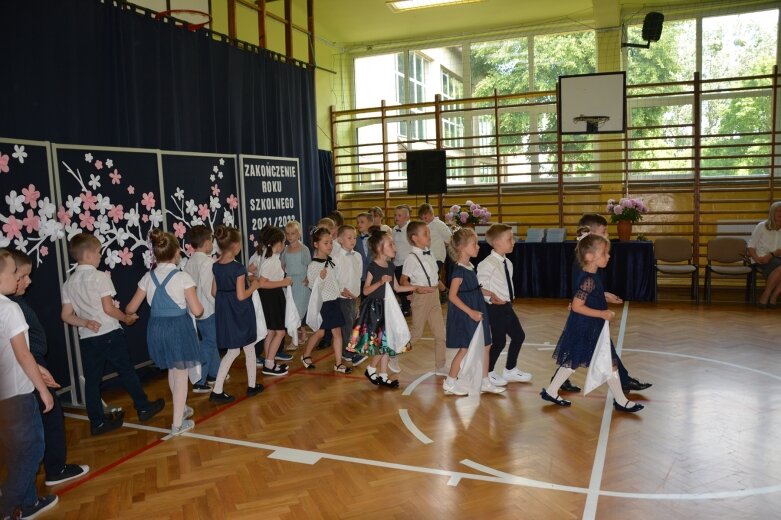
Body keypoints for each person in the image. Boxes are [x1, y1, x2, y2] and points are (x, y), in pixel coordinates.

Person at [60, 233, 164, 436]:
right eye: (99, 253)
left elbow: (66, 315)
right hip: (109, 333)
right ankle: (143, 407)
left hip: (88, 337)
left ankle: (97, 422)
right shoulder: (100, 277)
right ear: (89, 255)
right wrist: (126, 318)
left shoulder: (69, 283)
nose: (100, 256)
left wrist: (85, 322)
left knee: (92, 381)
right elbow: (108, 308)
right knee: (126, 371)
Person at [8, 249, 89, 486]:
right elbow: (20, 348)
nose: (29, 281)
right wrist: (37, 370)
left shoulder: (16, 303)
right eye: (23, 276)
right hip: (29, 367)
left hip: (30, 365)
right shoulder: (11, 307)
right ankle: (55, 468)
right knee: (49, 416)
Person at [541, 231, 643, 412]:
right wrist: (602, 313)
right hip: (587, 326)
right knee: (608, 361)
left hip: (587, 325)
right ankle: (620, 400)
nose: (608, 256)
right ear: (590, 257)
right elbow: (577, 305)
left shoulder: (590, 276)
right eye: (604, 253)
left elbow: (585, 296)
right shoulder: (588, 279)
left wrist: (604, 295)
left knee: (575, 361)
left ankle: (551, 390)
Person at [555, 214, 652, 395]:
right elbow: (580, 289)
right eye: (604, 231)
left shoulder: (592, 261)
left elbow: (588, 288)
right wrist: (586, 306)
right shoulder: (583, 261)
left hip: (591, 313)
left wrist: (604, 295)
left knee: (590, 352)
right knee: (601, 353)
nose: (607, 235)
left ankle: (557, 384)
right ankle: (622, 384)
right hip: (588, 316)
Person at [126, 229, 204, 436]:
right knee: (181, 374)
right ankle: (177, 424)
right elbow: (197, 310)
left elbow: (130, 309)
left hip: (156, 328)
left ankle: (182, 408)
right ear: (176, 252)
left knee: (172, 368)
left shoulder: (147, 277)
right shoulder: (182, 277)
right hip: (178, 328)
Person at [0, 249, 59, 519]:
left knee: (15, 451)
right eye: (14, 273)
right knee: (32, 449)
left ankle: (28, 503)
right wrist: (43, 390)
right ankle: (6, 504)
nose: (18, 278)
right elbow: (24, 354)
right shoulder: (10, 309)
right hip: (18, 395)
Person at [348, 229, 417, 388]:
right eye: (391, 244)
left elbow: (398, 288)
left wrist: (417, 287)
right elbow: (365, 291)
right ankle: (372, 369)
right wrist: (379, 282)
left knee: (387, 343)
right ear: (380, 248)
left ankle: (382, 374)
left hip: (388, 309)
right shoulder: (373, 266)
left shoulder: (391, 266)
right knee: (381, 343)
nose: (395, 247)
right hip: (375, 310)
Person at [444, 228, 505, 395]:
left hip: (478, 309)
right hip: (466, 314)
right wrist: (470, 311)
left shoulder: (470, 266)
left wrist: (490, 294)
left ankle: (485, 382)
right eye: (475, 244)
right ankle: (450, 382)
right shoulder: (459, 270)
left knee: (486, 345)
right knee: (464, 349)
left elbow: (474, 289)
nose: (478, 246)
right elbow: (452, 296)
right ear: (462, 248)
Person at [209, 225, 264, 404]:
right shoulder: (238, 268)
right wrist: (255, 286)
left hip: (225, 311)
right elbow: (241, 295)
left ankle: (249, 385)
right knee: (244, 347)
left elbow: (214, 292)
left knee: (238, 349)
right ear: (235, 246)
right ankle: (238, 387)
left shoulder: (216, 266)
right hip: (239, 312)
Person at [477, 224, 533, 387]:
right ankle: (488, 372)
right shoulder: (487, 264)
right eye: (509, 239)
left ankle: (510, 369)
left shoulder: (507, 263)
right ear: (496, 243)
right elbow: (480, 287)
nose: (513, 241)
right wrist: (491, 299)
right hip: (494, 308)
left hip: (506, 306)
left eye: (512, 238)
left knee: (519, 336)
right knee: (499, 342)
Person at [300, 227, 353, 373]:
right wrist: (320, 279)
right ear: (316, 245)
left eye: (330, 242)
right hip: (323, 303)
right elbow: (312, 286)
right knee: (320, 333)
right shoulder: (313, 266)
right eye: (326, 243)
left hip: (334, 301)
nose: (330, 246)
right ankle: (305, 355)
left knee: (337, 332)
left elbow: (335, 282)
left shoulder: (331, 262)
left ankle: (338, 363)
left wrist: (342, 290)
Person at [400, 221, 447, 376]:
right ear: (414, 238)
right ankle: (391, 354)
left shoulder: (430, 253)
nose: (429, 236)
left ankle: (440, 366)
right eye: (425, 233)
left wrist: (443, 288)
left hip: (434, 296)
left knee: (441, 333)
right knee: (416, 334)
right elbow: (403, 281)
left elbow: (434, 276)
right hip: (421, 298)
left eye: (428, 232)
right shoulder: (411, 258)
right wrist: (415, 289)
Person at [182, 225, 221, 393]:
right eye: (211, 240)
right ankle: (199, 380)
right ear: (206, 243)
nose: (213, 243)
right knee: (210, 342)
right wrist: (218, 305)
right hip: (206, 310)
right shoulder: (206, 262)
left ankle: (214, 373)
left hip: (194, 310)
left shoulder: (191, 261)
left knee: (209, 341)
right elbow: (208, 289)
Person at [256, 226, 293, 376]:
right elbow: (263, 283)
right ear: (278, 243)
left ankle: (268, 361)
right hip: (271, 296)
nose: (284, 245)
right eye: (283, 242)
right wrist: (283, 282)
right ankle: (269, 364)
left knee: (270, 331)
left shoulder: (266, 255)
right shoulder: (270, 260)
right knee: (280, 332)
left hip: (270, 296)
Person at [335, 224, 367, 366]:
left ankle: (349, 350)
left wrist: (357, 294)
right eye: (349, 238)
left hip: (355, 297)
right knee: (347, 325)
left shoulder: (358, 256)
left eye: (354, 237)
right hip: (343, 298)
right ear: (340, 240)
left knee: (353, 324)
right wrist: (342, 290)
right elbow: (334, 278)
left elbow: (359, 275)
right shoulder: (335, 258)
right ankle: (349, 354)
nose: (353, 240)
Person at [280, 220, 311, 347]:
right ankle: (303, 332)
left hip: (302, 284)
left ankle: (294, 341)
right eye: (288, 234)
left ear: (299, 234)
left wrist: (308, 278)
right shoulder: (285, 250)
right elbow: (282, 266)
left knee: (298, 311)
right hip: (289, 284)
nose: (290, 236)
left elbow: (310, 266)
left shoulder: (304, 249)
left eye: (293, 233)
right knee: (291, 311)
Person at [748, 201, 781, 308]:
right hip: (761, 258)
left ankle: (772, 295)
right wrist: (756, 258)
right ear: (772, 213)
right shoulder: (762, 226)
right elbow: (751, 246)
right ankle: (770, 297)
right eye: (779, 211)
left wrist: (774, 254)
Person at [418, 203, 452, 272]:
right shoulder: (425, 225)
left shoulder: (439, 224)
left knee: (432, 277)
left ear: (431, 213)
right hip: (426, 257)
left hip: (437, 257)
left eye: (425, 217)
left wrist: (445, 243)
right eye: (422, 219)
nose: (424, 220)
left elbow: (449, 238)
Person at [355, 212, 373, 286]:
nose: (359, 224)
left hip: (374, 274)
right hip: (362, 275)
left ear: (370, 223)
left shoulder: (375, 238)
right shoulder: (355, 239)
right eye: (358, 222)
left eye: (362, 222)